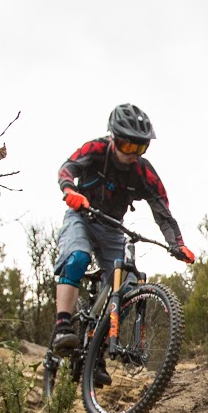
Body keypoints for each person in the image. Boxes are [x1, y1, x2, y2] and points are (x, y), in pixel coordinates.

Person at [51, 103, 196, 354]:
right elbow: (67, 168)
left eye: (139, 147)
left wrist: (177, 244)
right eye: (127, 146)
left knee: (128, 288)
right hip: (81, 216)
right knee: (78, 257)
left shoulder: (143, 171)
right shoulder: (96, 149)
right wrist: (69, 190)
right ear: (113, 137)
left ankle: (97, 349)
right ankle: (62, 326)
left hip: (112, 228)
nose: (132, 154)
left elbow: (162, 211)